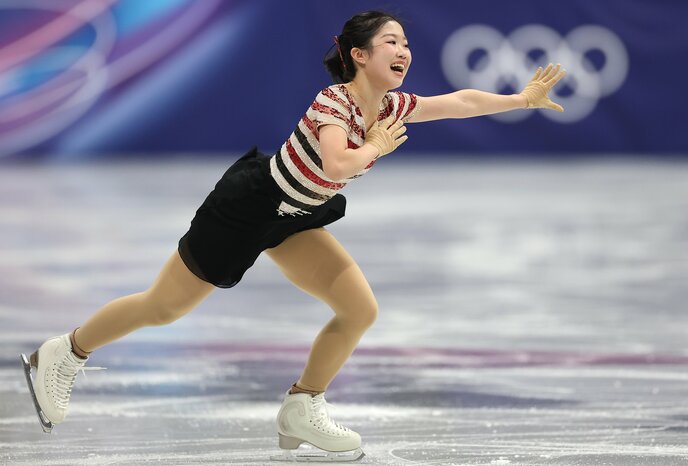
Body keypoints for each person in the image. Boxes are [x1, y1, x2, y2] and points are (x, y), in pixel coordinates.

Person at [21, 10, 565, 462]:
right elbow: (336, 162)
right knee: (163, 308)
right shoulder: (334, 102)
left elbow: (459, 102)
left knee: (358, 309)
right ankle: (64, 353)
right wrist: (375, 145)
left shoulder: (391, 106)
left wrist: (521, 100)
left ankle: (303, 406)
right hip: (247, 208)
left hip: (295, 215)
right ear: (360, 55)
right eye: (392, 42)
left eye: (406, 44)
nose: (405, 51)